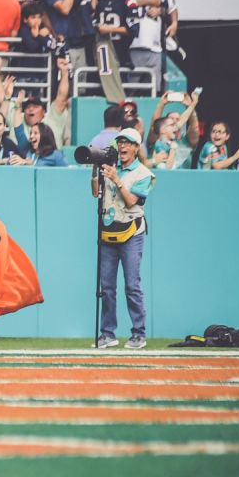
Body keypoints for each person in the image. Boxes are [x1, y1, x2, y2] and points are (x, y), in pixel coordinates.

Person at [92, 128, 155, 349]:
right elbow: (94, 192)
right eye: (120, 142)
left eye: (128, 143)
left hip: (131, 233)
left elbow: (131, 202)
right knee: (107, 287)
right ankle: (107, 333)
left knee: (132, 285)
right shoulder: (110, 168)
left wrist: (116, 179)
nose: (123, 147)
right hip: (109, 232)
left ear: (137, 148)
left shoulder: (143, 174)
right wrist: (95, 169)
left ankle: (139, 333)